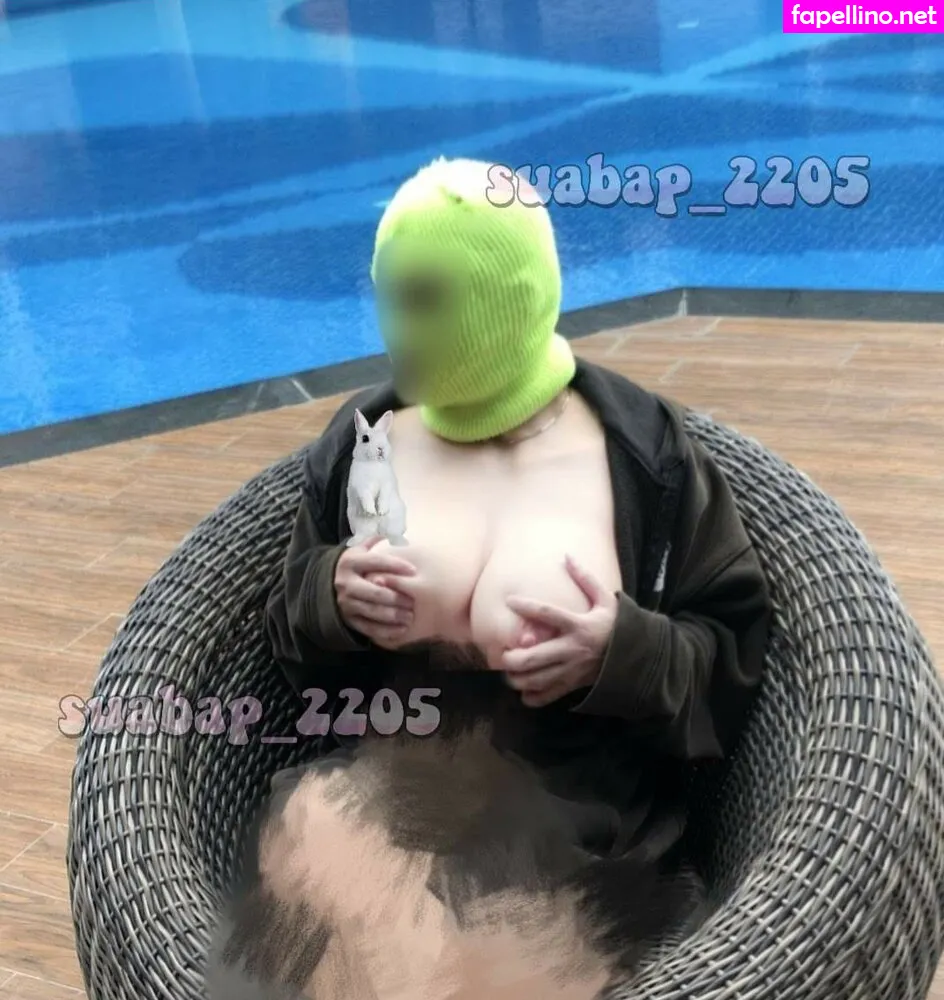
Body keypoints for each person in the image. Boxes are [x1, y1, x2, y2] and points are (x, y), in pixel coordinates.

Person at [217, 156, 772, 998]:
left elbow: (732, 657)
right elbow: (288, 646)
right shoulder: (366, 441)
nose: (395, 330)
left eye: (424, 300)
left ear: (506, 300)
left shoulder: (643, 456)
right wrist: (329, 597)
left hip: (578, 830)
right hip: (382, 799)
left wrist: (623, 653)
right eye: (387, 295)